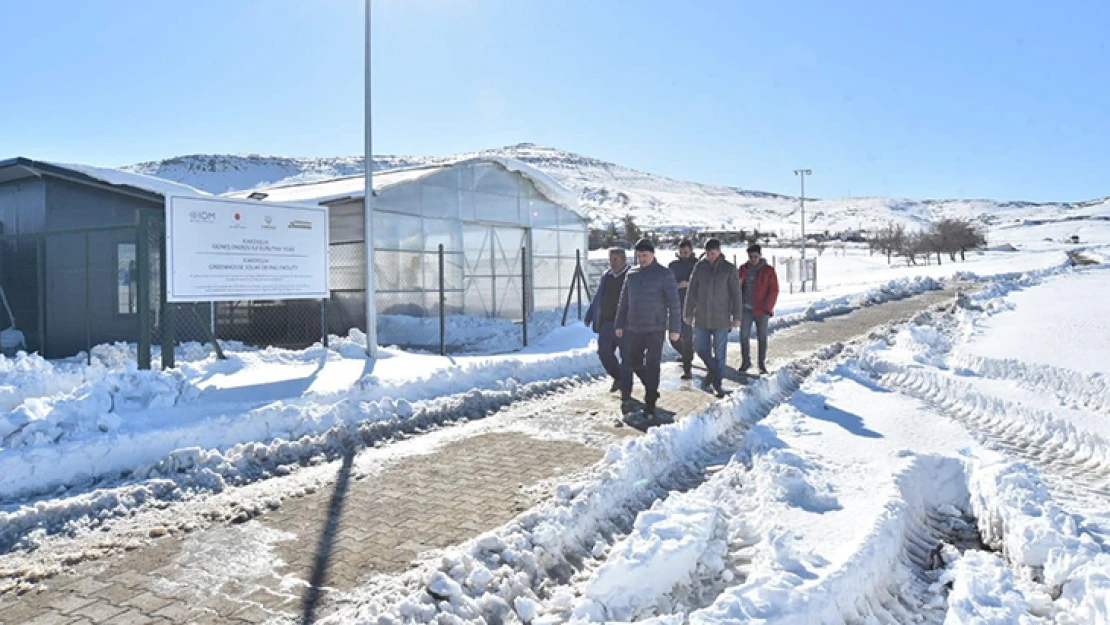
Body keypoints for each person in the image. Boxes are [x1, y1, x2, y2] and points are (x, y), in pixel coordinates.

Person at [615, 238, 681, 416]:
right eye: (639, 256)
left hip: (655, 328)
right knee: (633, 362)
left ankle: (650, 401)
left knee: (652, 364)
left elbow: (674, 304)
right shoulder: (632, 275)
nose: (642, 259)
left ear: (653, 254)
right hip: (634, 327)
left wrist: (675, 329)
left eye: (645, 255)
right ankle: (650, 388)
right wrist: (619, 323)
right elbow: (624, 301)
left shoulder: (664, 274)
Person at [683, 238, 742, 396]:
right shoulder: (700, 267)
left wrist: (737, 316)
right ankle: (714, 370)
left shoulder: (729, 269)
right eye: (708, 253)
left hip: (721, 318)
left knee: (720, 352)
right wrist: (688, 312)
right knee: (700, 348)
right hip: (701, 317)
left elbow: (736, 294)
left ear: (719, 251)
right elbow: (691, 291)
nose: (710, 256)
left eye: (713, 253)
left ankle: (717, 383)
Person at [584, 247, 630, 392]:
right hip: (607, 323)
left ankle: (626, 389)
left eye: (615, 260)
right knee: (604, 353)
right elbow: (598, 297)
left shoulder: (632, 276)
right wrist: (589, 315)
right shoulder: (607, 276)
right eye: (611, 260)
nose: (612, 263)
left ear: (624, 260)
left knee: (627, 356)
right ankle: (619, 377)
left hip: (626, 324)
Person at [738, 244, 780, 374]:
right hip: (746, 308)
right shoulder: (743, 269)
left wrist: (768, 307)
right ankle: (746, 361)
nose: (753, 259)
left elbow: (774, 290)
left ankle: (761, 364)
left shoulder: (768, 270)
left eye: (755, 256)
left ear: (760, 256)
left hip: (762, 310)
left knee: (762, 337)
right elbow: (736, 287)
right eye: (751, 257)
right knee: (744, 335)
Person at [668, 239, 697, 379]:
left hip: (690, 305)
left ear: (691, 251)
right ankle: (687, 354)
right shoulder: (673, 266)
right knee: (673, 338)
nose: (684, 254)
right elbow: (667, 282)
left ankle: (687, 369)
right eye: (681, 252)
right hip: (675, 303)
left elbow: (703, 283)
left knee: (687, 337)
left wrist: (688, 284)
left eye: (686, 252)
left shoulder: (697, 265)